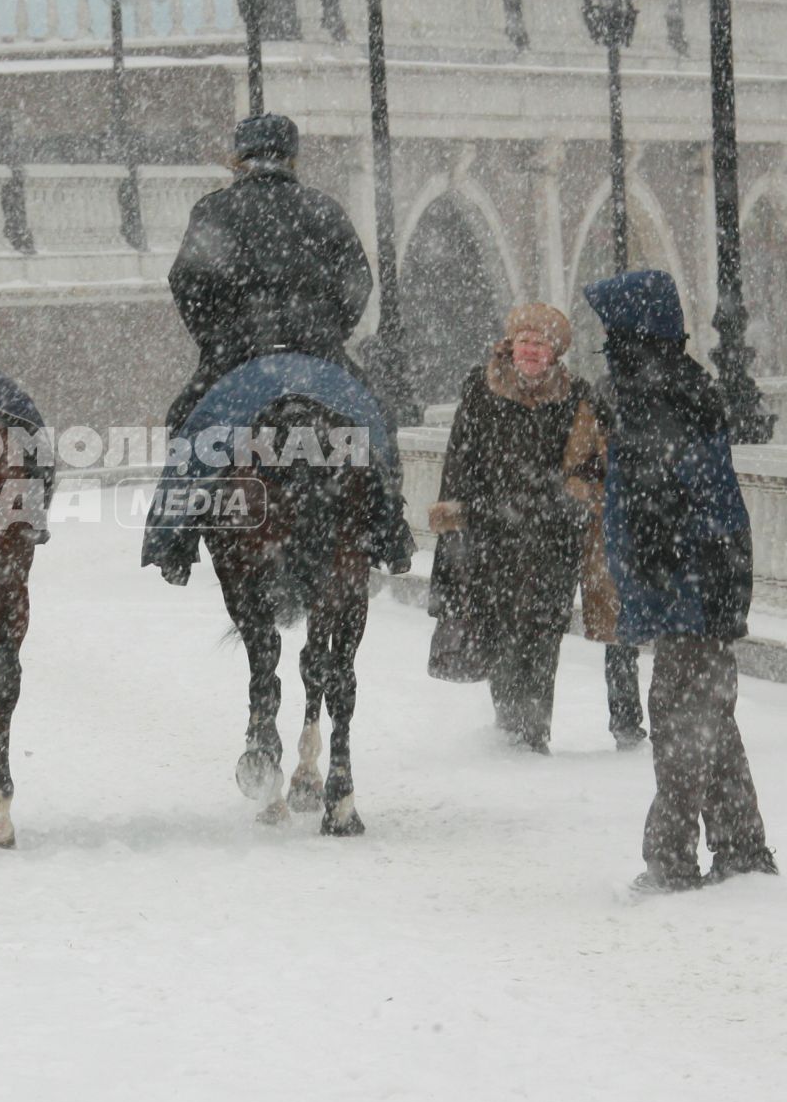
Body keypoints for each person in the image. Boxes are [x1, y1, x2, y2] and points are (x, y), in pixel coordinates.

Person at [154, 113, 412, 583]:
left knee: (185, 425)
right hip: (317, 353)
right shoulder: (322, 207)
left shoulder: (213, 211)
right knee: (377, 418)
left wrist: (216, 338)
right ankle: (391, 528)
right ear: (292, 157)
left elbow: (185, 282)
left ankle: (175, 535)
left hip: (237, 355)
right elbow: (358, 279)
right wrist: (329, 331)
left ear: (240, 158)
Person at [584, 269, 777, 892]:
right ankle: (742, 849)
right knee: (709, 718)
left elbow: (672, 500)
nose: (606, 341)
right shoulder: (669, 390)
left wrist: (661, 567)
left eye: (614, 330)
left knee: (679, 721)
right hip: (694, 583)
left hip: (687, 588)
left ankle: (670, 861)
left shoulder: (658, 397)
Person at [427, 304, 603, 753]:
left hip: (551, 533)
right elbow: (460, 453)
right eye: (525, 341)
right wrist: (457, 513)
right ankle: (509, 722)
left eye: (541, 344)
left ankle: (535, 730)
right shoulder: (482, 387)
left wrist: (571, 495)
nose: (531, 350)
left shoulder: (576, 394)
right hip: (493, 531)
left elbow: (586, 461)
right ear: (511, 345)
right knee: (498, 627)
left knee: (543, 633)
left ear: (554, 353)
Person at [582, 375, 648, 748]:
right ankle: (627, 719)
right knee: (621, 633)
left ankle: (634, 718)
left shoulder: (673, 392)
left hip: (643, 529)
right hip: (618, 531)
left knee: (628, 634)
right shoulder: (603, 396)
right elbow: (577, 468)